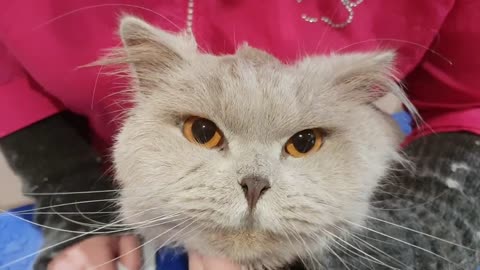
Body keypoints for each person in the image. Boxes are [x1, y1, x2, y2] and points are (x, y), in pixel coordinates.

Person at [0, 1, 479, 269]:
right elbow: (9, 83)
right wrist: (72, 197)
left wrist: (412, 240)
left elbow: (468, 102)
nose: (254, 181)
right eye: (203, 131)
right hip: (128, 193)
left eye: (304, 142)